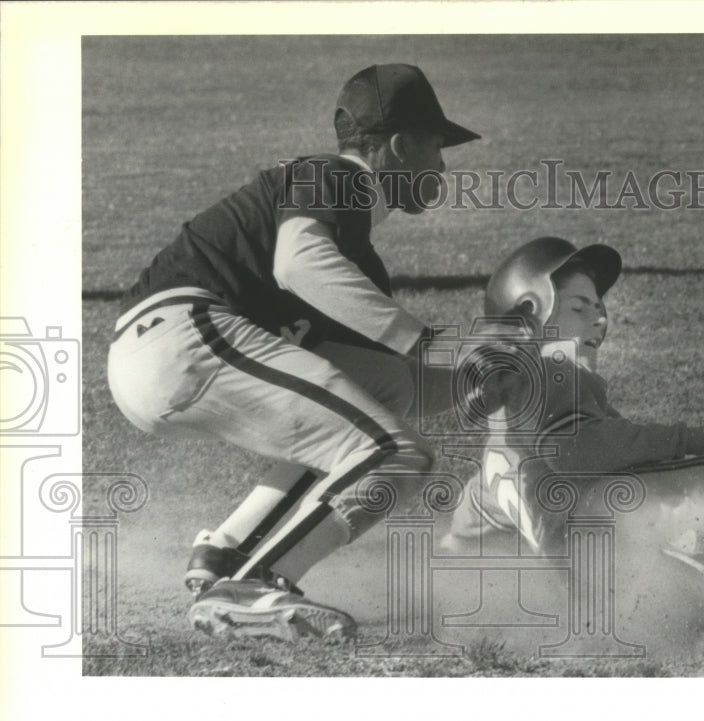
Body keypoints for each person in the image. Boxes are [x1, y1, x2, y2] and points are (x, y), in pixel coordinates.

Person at [107, 64, 480, 642]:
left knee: (382, 393)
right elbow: (299, 263)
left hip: (167, 352)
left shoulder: (352, 257)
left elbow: (396, 381)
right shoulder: (327, 175)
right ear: (401, 145)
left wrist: (498, 374)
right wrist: (428, 339)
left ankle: (228, 554)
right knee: (398, 454)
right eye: (436, 147)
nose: (443, 165)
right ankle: (258, 582)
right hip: (187, 335)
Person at [443, 236, 704, 576]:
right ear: (532, 314)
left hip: (579, 547)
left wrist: (447, 564)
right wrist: (699, 438)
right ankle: (697, 555)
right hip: (600, 527)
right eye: (579, 308)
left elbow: (477, 518)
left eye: (599, 308)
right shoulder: (549, 372)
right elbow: (580, 451)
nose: (599, 320)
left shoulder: (514, 405)